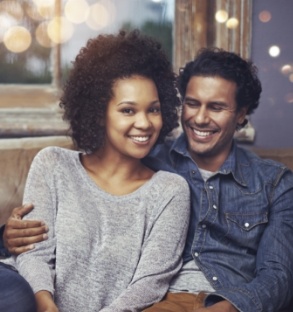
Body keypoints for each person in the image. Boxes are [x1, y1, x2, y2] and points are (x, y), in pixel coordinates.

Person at [3, 47, 293, 312]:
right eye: (192, 104)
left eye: (216, 107)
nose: (201, 119)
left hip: (223, 299)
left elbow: (278, 273)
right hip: (162, 301)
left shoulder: (273, 182)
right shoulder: (148, 156)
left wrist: (232, 306)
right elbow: (44, 237)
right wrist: (7, 235)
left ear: (242, 114)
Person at [0, 30, 191, 312]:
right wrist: (45, 304)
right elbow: (34, 254)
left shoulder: (170, 191)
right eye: (128, 110)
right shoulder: (52, 164)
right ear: (98, 111)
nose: (145, 123)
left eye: (153, 110)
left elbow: (150, 282)